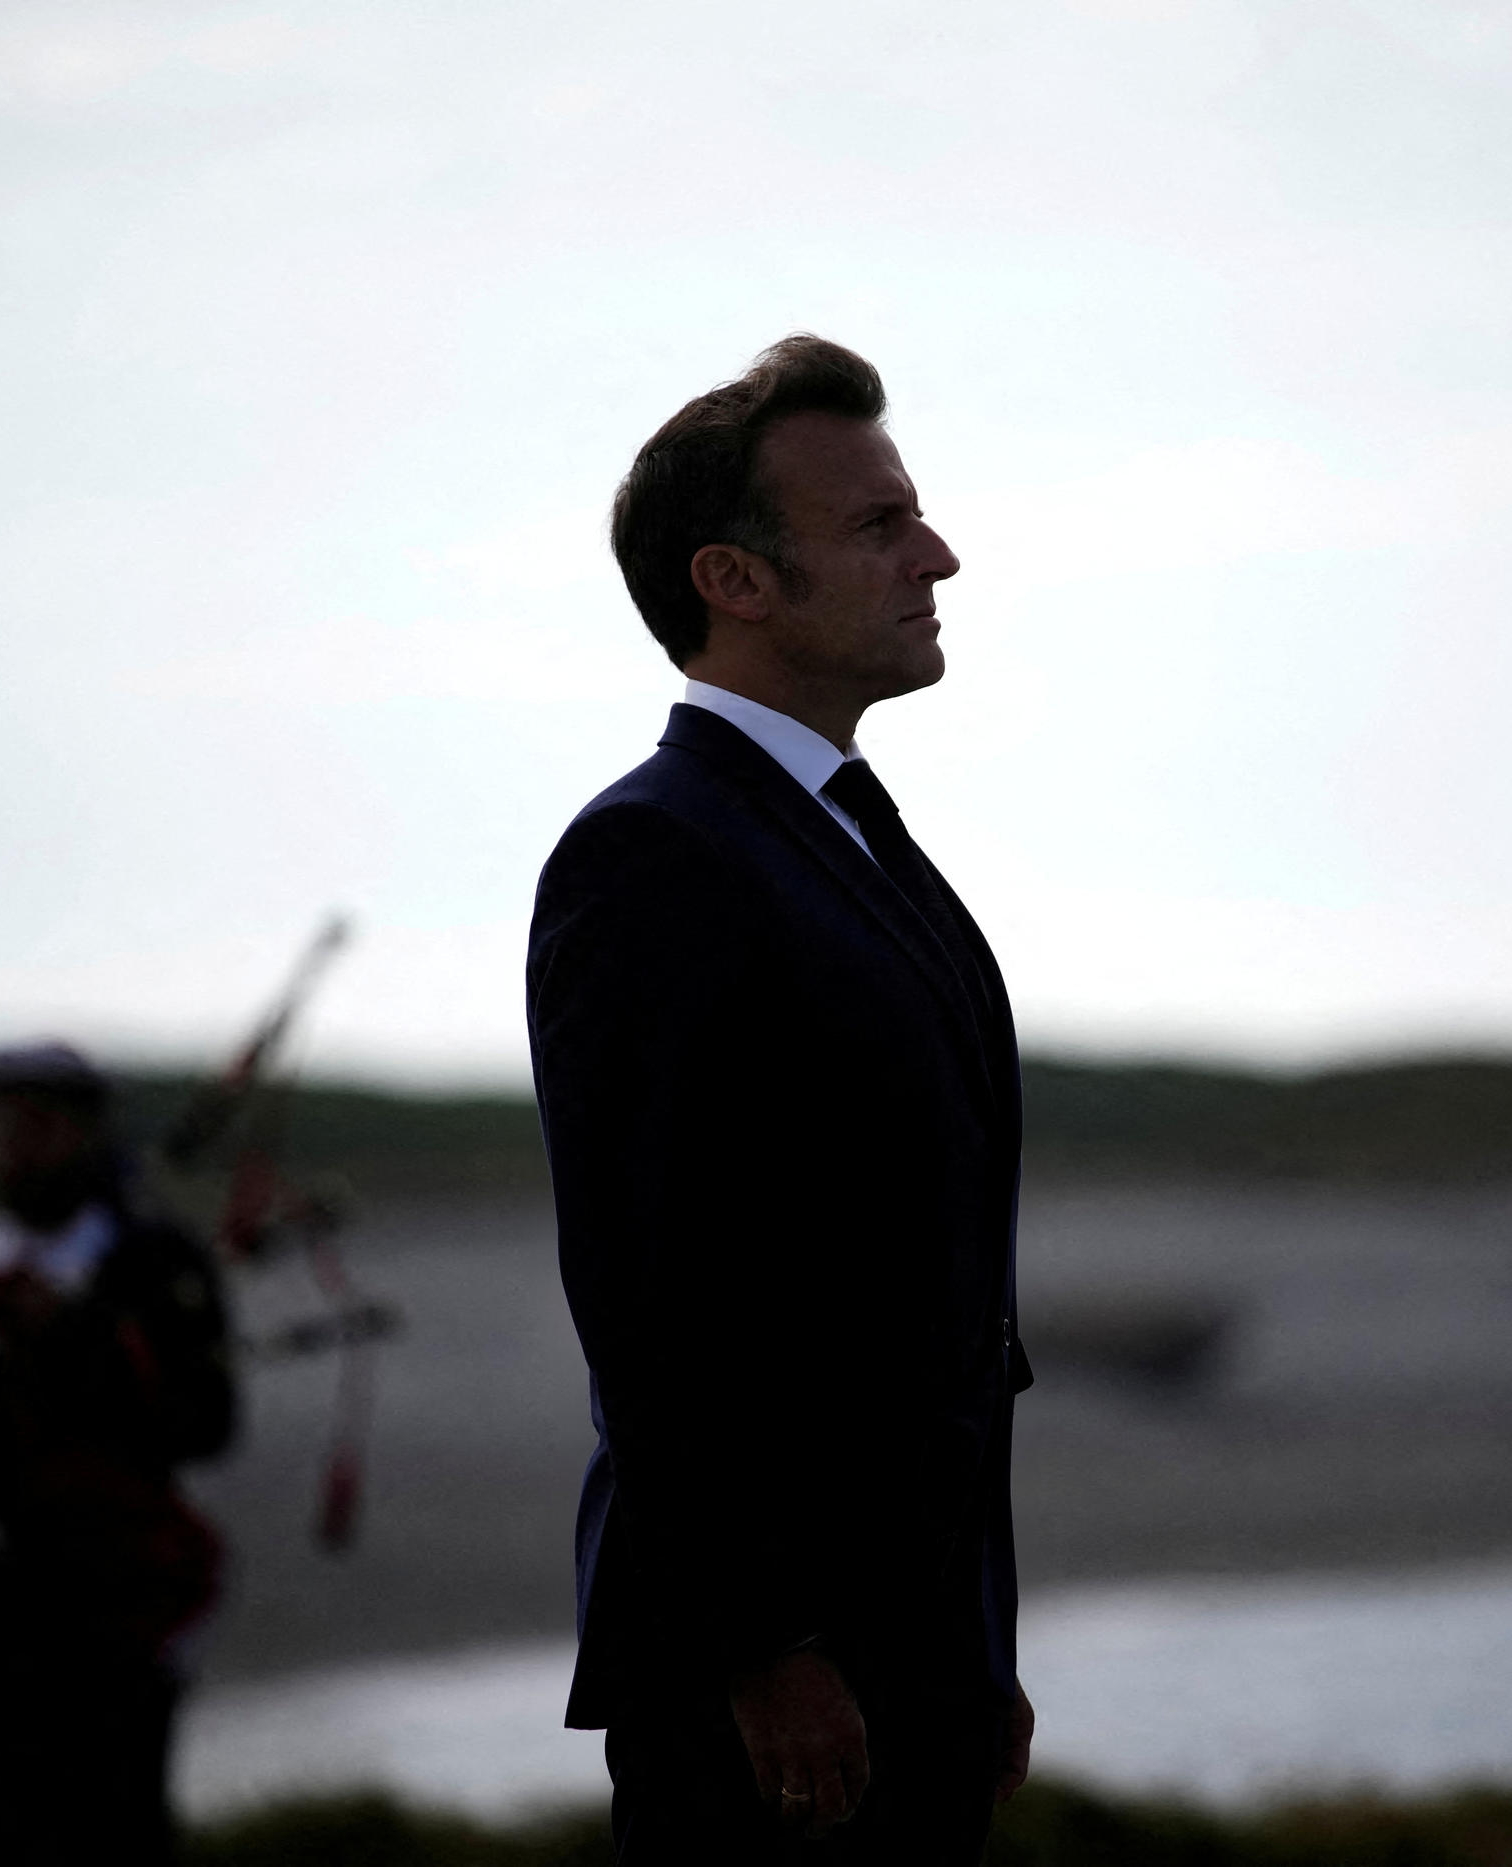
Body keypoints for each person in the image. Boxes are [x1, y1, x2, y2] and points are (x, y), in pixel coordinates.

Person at [527, 334, 1034, 1864]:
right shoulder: (655, 853)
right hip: (776, 1683)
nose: (936, 552)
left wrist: (976, 1643)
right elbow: (651, 1298)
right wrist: (764, 1644)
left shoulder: (849, 832)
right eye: (878, 525)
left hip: (913, 1651)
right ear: (735, 582)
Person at [0, 1041, 235, 1867]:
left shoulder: (154, 1260)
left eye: (40, 1126)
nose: (17, 1146)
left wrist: (84, 1338)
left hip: (115, 1624)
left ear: (88, 1133)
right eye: (6, 1127)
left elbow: (208, 1422)